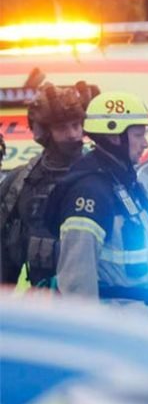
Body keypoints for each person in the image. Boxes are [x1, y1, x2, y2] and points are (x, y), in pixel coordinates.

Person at [45, 91, 148, 313]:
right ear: (115, 137)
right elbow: (77, 283)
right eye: (138, 135)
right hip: (118, 326)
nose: (145, 143)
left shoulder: (127, 184)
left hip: (146, 321)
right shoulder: (89, 193)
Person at [1, 79, 97, 287]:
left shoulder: (102, 175)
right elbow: (4, 255)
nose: (72, 134)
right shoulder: (19, 183)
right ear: (44, 132)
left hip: (97, 301)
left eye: (76, 125)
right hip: (43, 303)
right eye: (62, 128)